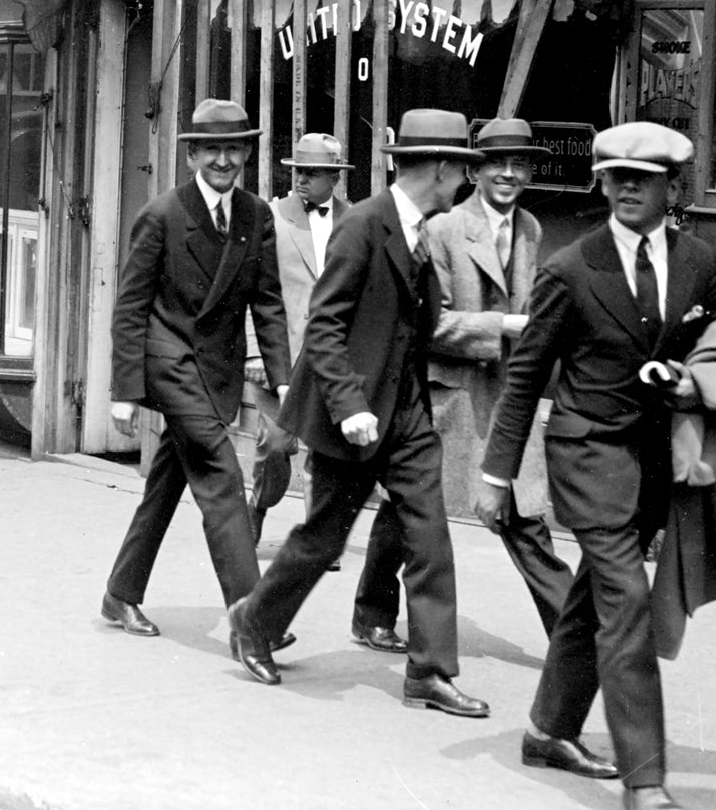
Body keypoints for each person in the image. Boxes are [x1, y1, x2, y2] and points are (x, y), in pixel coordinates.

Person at [477, 123, 716, 808]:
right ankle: (645, 781)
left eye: (642, 177)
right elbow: (526, 376)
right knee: (626, 606)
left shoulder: (701, 263)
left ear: (672, 188)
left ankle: (548, 728)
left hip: (657, 462)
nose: (624, 186)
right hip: (587, 455)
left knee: (594, 598)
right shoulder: (569, 268)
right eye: (614, 174)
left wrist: (694, 381)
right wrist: (496, 476)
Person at [228, 108, 489, 721]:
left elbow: (418, 329)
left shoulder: (424, 229)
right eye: (463, 171)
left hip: (406, 419)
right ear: (442, 167)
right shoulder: (364, 226)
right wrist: (348, 407)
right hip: (353, 416)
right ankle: (254, 622)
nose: (465, 185)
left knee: (430, 539)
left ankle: (429, 672)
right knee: (322, 538)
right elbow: (324, 327)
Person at [352, 118, 574, 652]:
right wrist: (504, 327)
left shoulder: (530, 230)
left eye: (520, 164)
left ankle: (575, 637)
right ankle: (373, 612)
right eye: (497, 163)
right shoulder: (444, 228)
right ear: (475, 171)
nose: (508, 174)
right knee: (407, 511)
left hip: (505, 396)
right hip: (449, 397)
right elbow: (430, 326)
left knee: (522, 515)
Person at [100, 99, 290, 639]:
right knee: (221, 473)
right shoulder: (162, 214)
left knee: (166, 485)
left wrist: (282, 377)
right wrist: (123, 390)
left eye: (233, 149)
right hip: (169, 363)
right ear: (192, 157)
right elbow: (131, 307)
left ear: (247, 153)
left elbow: (269, 302)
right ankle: (254, 616)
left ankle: (120, 594)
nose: (223, 160)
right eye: (212, 150)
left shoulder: (256, 214)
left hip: (217, 370)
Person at [245, 133, 352, 547]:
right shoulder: (271, 215)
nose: (302, 180)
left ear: (335, 178)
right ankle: (257, 506)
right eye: (298, 171)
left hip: (330, 358)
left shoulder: (355, 219)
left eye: (312, 172)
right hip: (279, 355)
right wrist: (254, 349)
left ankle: (320, 538)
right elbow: (250, 288)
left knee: (324, 454)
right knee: (275, 444)